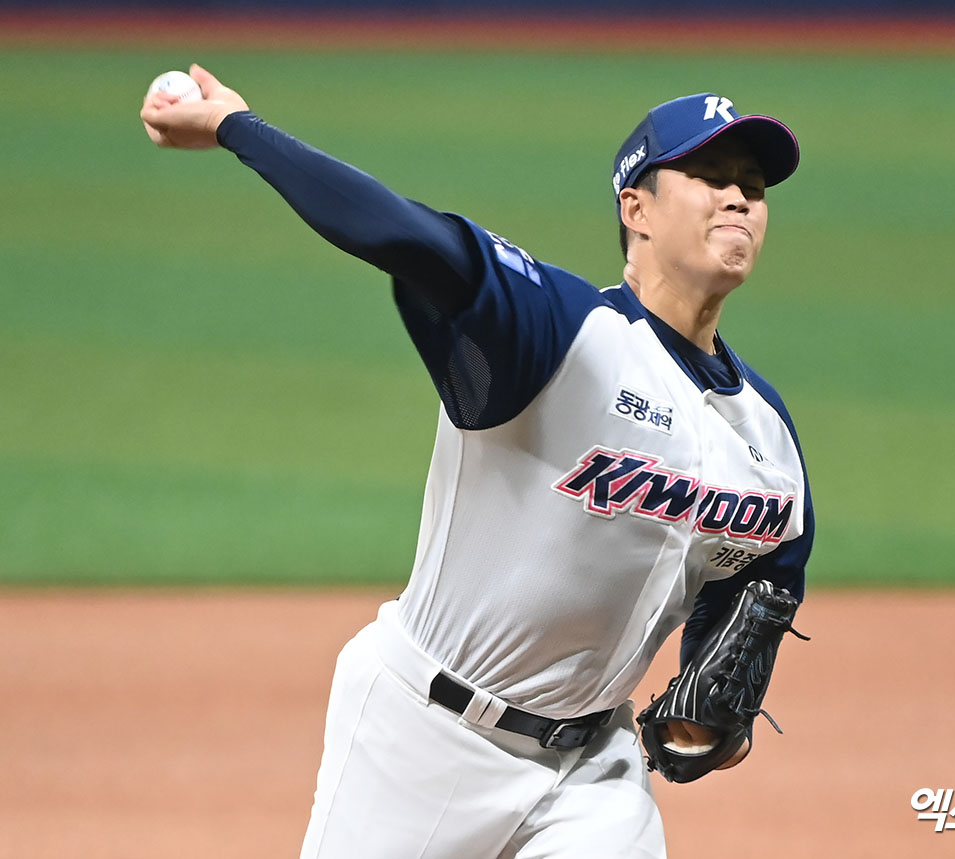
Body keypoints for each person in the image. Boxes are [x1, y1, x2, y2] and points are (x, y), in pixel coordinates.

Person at [142, 65, 814, 859]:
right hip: (422, 738)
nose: (738, 198)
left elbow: (757, 578)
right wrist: (237, 127)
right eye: (710, 177)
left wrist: (712, 703)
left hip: (593, 771)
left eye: (752, 186)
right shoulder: (558, 330)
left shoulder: (767, 435)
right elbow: (402, 234)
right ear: (635, 208)